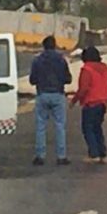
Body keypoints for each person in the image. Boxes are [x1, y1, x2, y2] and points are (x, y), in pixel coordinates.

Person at [29, 35, 72, 166]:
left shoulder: (37, 60)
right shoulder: (61, 60)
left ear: (43, 46)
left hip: (42, 94)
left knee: (41, 126)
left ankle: (40, 156)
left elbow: (32, 80)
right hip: (58, 94)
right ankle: (61, 156)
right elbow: (68, 79)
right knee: (60, 126)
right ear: (55, 45)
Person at [70, 46, 107, 164]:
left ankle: (94, 154)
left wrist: (74, 100)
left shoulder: (87, 69)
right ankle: (102, 154)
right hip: (103, 102)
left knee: (88, 128)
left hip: (90, 102)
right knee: (97, 128)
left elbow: (83, 88)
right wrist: (103, 89)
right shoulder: (104, 67)